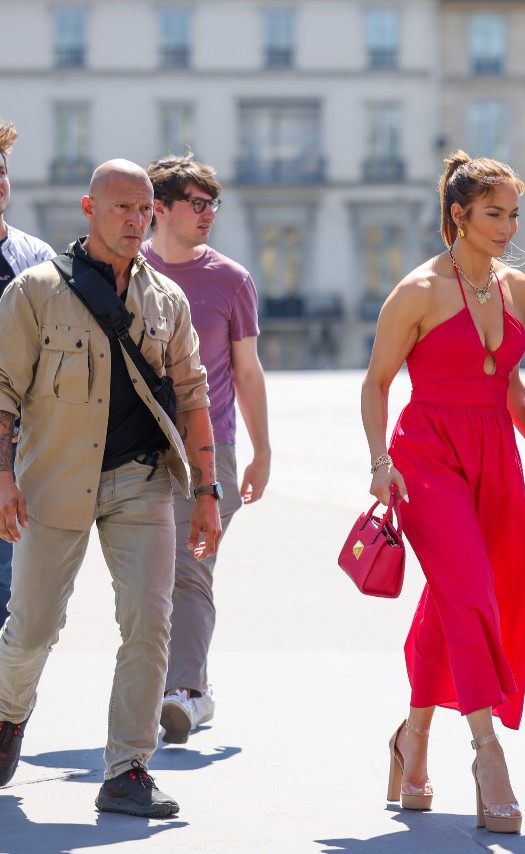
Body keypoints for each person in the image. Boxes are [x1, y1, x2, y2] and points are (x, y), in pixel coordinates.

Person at [360, 152, 525, 835]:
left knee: (475, 590)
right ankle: (487, 752)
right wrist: (376, 463)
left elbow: (507, 384)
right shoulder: (418, 290)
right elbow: (376, 382)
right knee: (470, 590)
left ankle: (411, 739)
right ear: (458, 214)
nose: (508, 227)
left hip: (495, 453)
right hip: (425, 454)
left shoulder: (516, 287)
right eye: (494, 213)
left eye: (514, 214)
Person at [0, 160, 221, 817]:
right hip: (53, 480)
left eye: (143, 208)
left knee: (149, 623)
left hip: (142, 482)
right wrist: (2, 478)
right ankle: (9, 715)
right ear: (89, 208)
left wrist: (206, 493)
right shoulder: (36, 291)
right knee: (33, 629)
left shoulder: (166, 301)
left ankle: (127, 769)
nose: (134, 219)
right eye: (120, 207)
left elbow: (193, 396)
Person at [142, 155, 270, 744]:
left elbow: (247, 371)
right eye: (196, 203)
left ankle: (185, 691)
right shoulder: (124, 269)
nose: (208, 214)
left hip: (209, 448)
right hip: (133, 447)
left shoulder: (231, 279)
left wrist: (260, 450)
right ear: (159, 209)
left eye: (212, 203)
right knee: (148, 575)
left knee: (192, 566)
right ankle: (177, 686)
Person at [0, 119, 55, 627]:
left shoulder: (35, 258)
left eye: (1, 172)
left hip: (19, 445)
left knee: (13, 585)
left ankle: (9, 704)